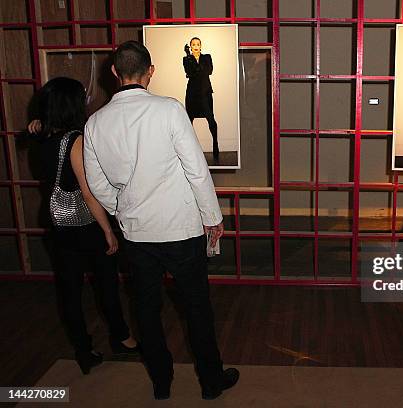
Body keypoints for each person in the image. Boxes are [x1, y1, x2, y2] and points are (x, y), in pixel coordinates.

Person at [83, 41, 238, 400]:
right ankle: (211, 381)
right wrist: (212, 217)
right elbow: (196, 170)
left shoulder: (95, 123)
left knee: (146, 311)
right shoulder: (168, 110)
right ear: (150, 71)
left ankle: (161, 381)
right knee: (196, 307)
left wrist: (121, 206)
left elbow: (97, 183)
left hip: (136, 234)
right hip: (181, 229)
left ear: (114, 72)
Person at [31, 77, 138, 375]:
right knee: (106, 283)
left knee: (69, 290)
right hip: (84, 223)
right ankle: (122, 338)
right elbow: (89, 193)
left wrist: (37, 125)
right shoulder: (73, 140)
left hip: (57, 222)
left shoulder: (41, 136)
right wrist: (107, 230)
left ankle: (83, 349)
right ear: (72, 104)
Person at [183, 36, 219, 161]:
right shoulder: (186, 59)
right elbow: (190, 72)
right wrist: (189, 57)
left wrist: (196, 69)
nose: (196, 46)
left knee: (211, 119)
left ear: (201, 46)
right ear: (190, 47)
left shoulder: (207, 57)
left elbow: (209, 71)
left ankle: (215, 143)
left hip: (205, 92)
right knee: (189, 121)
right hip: (192, 93)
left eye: (198, 44)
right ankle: (189, 149)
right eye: (193, 44)